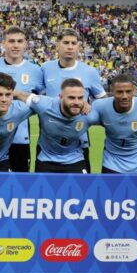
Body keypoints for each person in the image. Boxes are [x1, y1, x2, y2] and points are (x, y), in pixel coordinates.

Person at [0, 27, 43, 172]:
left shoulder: (35, 70)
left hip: (20, 137)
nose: (16, 45)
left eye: (20, 41)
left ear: (25, 44)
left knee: (20, 182)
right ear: (3, 44)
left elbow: (42, 100)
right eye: (11, 41)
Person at [41, 29, 106, 173]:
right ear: (57, 45)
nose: (70, 47)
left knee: (82, 189)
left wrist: (90, 105)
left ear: (78, 47)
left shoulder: (90, 72)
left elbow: (104, 103)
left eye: (73, 43)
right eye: (65, 43)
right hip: (47, 142)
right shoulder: (45, 68)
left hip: (78, 141)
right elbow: (37, 97)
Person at [22, 78, 100, 173]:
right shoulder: (45, 105)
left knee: (82, 187)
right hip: (46, 159)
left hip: (75, 159)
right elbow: (19, 94)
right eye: (71, 97)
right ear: (61, 97)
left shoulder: (90, 115)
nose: (76, 102)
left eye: (80, 98)